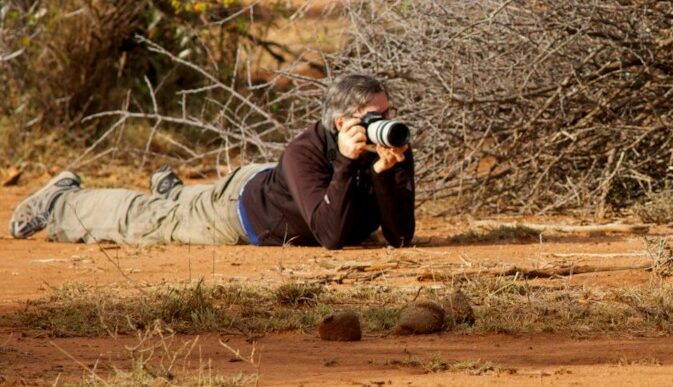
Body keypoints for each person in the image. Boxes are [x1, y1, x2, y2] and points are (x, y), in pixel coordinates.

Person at [8, 74, 415, 249]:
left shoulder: (384, 149)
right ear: (342, 122)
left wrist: (387, 174)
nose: (384, 125)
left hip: (271, 185)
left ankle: (176, 191)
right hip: (237, 212)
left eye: (387, 113)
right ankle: (61, 202)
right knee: (148, 220)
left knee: (175, 203)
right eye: (372, 118)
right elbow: (331, 237)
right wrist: (346, 163)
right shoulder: (303, 151)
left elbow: (399, 237)